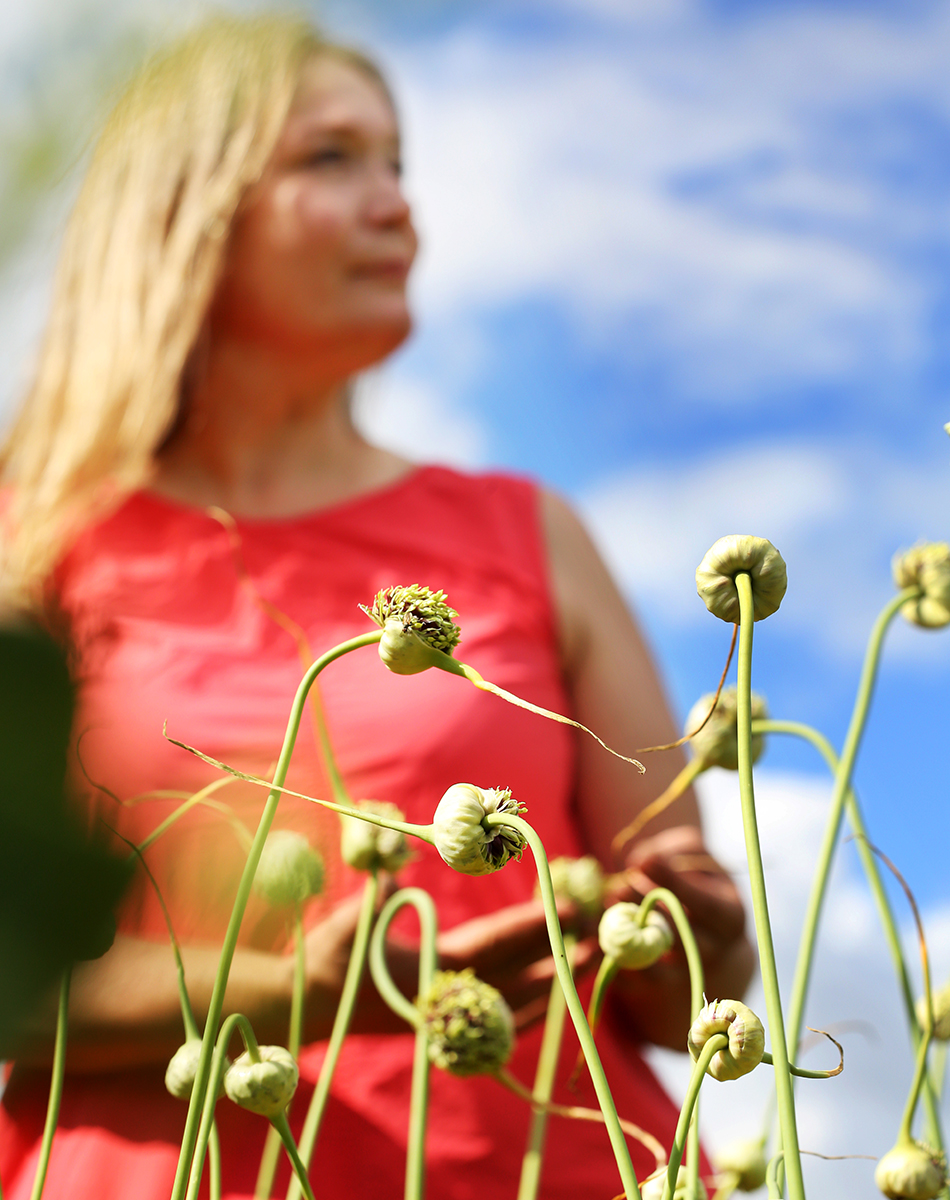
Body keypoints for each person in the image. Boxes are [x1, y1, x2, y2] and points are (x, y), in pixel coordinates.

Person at [0, 15, 754, 1199]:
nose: (398, 206)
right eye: (330, 160)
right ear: (185, 206)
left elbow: (686, 989)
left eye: (397, 164)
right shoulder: (29, 541)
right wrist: (295, 989)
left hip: (540, 1166)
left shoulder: (530, 531)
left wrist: (690, 932)